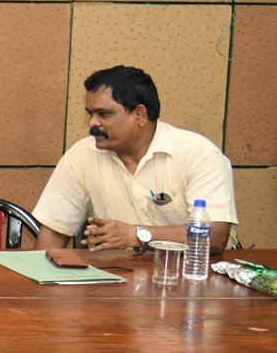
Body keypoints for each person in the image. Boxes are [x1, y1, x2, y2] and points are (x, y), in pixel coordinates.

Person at [34, 66, 237, 252]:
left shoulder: (198, 154)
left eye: (103, 114)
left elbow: (215, 236)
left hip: (197, 272)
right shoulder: (81, 155)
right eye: (91, 114)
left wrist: (135, 235)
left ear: (140, 115)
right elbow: (52, 235)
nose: (93, 123)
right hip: (117, 275)